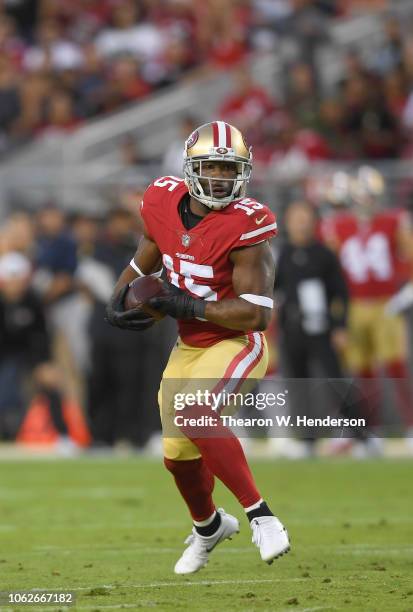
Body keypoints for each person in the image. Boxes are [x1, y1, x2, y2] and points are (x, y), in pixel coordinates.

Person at [106, 121, 290, 574]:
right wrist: (120, 292)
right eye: (213, 168)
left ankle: (261, 516)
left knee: (194, 414)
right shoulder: (161, 198)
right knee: (177, 457)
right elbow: (152, 242)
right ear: (190, 169)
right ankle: (208, 527)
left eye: (231, 170)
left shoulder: (249, 224)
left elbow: (256, 314)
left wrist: (183, 303)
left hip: (236, 341)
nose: (222, 179)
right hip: (190, 344)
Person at [320, 166, 413, 437]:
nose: (365, 202)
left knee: (395, 366)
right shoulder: (337, 225)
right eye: (361, 196)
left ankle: (409, 426)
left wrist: (405, 290)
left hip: (386, 302)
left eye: (370, 196)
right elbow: (330, 266)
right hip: (353, 304)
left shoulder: (394, 221)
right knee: (361, 371)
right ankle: (369, 430)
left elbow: (409, 254)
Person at [275, 200, 369, 455]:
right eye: (296, 218)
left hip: (321, 327)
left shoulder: (324, 254)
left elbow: (342, 293)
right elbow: (274, 290)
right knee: (298, 382)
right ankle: (307, 440)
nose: (301, 224)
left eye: (305, 218)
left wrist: (340, 326)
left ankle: (360, 435)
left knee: (335, 379)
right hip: (293, 328)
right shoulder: (283, 254)